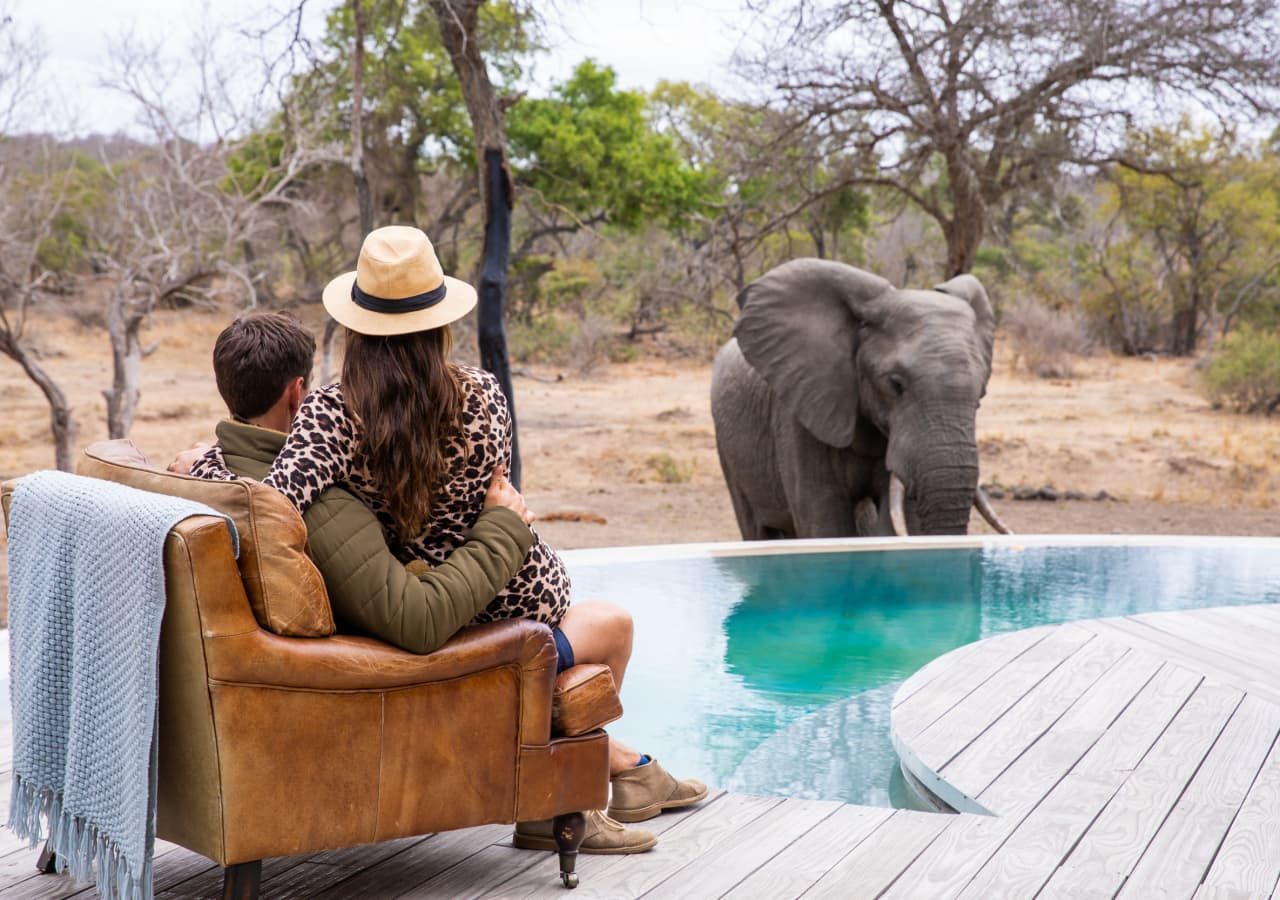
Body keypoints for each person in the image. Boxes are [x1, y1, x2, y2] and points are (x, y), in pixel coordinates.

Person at [188, 227, 706, 853]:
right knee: (607, 627)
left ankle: (614, 771)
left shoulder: (329, 413)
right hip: (508, 600)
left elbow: (273, 503)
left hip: (431, 594)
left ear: (358, 326)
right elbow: (499, 498)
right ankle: (588, 789)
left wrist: (210, 466)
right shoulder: (484, 395)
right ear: (439, 323)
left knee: (600, 628)